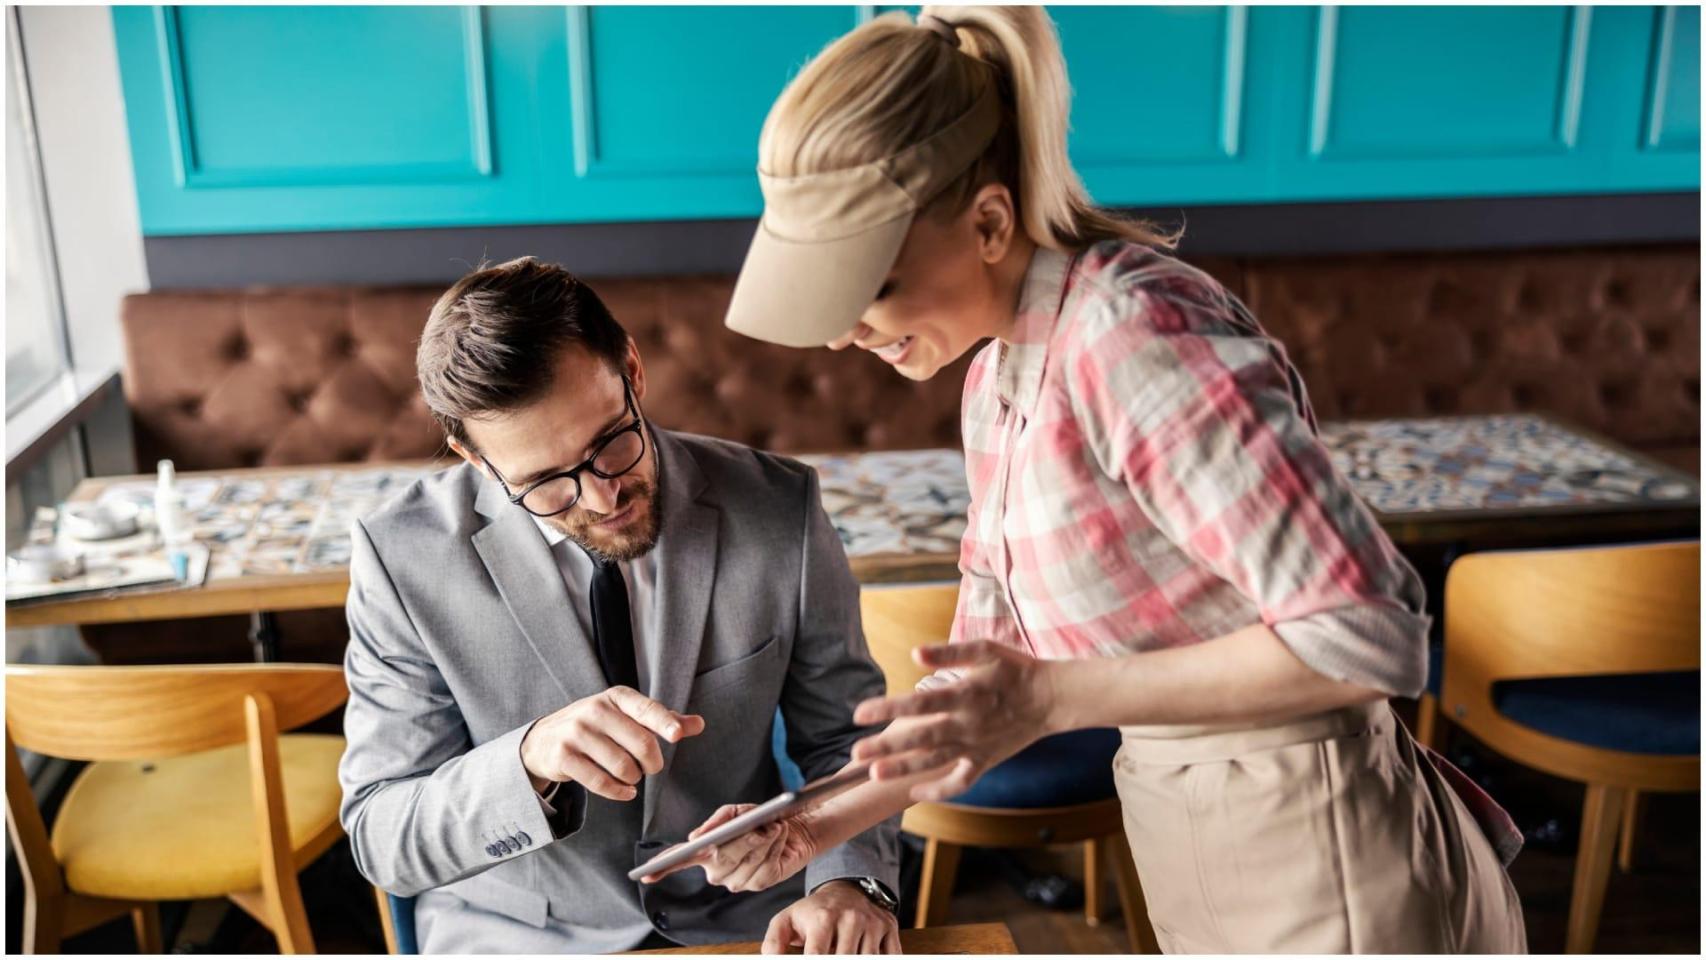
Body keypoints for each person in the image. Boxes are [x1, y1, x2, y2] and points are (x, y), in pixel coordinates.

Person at [650, 8, 1528, 953]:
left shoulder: (1134, 333)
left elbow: (1370, 636)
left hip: (1325, 844)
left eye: (869, 287)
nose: (839, 332)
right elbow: (974, 714)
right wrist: (814, 824)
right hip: (1188, 831)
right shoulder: (994, 377)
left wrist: (1057, 698)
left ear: (988, 221)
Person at [338, 257, 902, 954]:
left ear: (631, 370)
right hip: (517, 935)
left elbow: (848, 741)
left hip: (743, 918)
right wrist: (529, 758)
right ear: (474, 459)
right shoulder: (401, 559)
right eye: (545, 483)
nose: (601, 498)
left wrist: (844, 881)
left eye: (609, 443)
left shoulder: (780, 508)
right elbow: (381, 833)